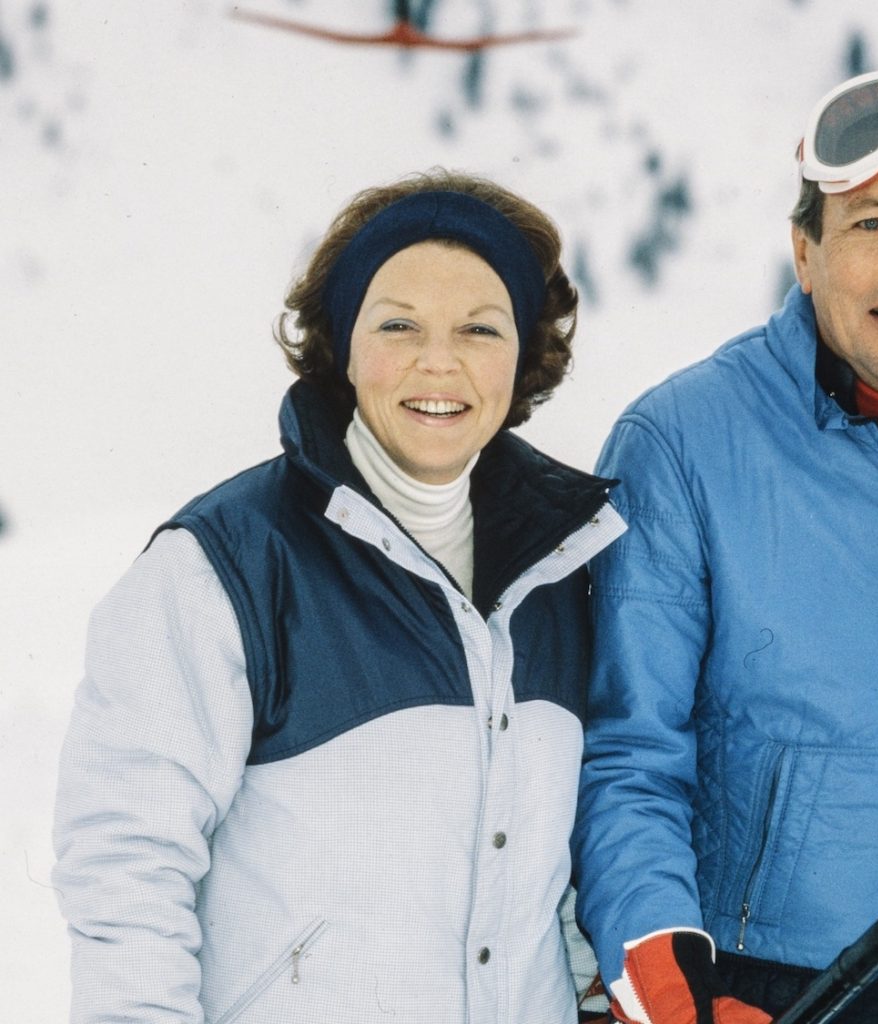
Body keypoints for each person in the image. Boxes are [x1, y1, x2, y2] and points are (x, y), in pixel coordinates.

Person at [52, 169, 625, 1024]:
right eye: (398, 324)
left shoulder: (564, 571)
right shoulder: (227, 564)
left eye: (480, 327)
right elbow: (125, 865)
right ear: (344, 348)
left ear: (523, 355)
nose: (440, 361)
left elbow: (559, 882)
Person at [572, 67, 878, 1024]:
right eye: (872, 223)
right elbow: (628, 754)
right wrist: (665, 976)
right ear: (805, 249)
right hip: (767, 1002)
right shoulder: (681, 444)